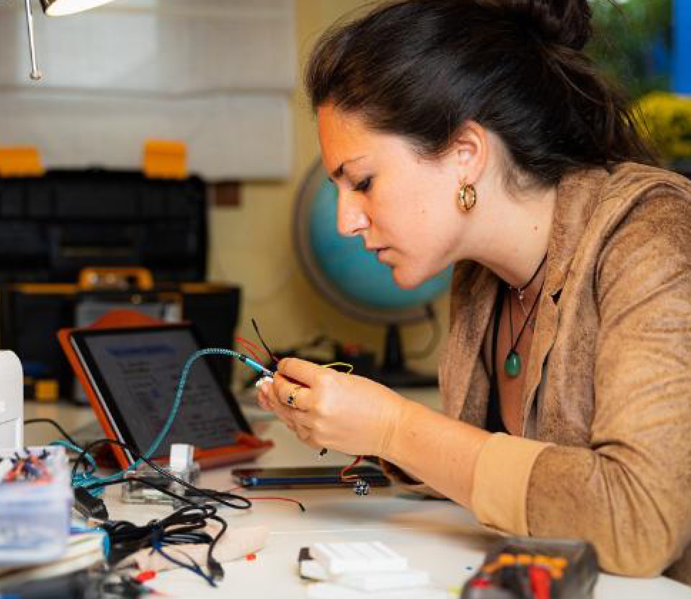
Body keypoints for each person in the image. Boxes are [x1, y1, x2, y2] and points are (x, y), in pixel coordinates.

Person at [258, 0, 691, 582]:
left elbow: (640, 521)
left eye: (362, 181)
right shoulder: (481, 276)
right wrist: (354, 428)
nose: (345, 221)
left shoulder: (652, 236)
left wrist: (394, 428)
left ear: (466, 154)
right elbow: (497, 479)